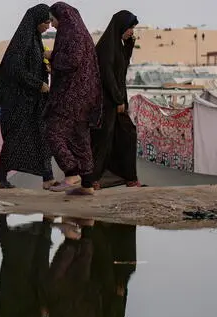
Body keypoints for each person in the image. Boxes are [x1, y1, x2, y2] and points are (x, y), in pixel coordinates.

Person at [0, 4, 58, 190]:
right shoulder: (22, 42)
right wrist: (38, 84)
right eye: (46, 22)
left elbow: (32, 65)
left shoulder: (34, 39)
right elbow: (15, 69)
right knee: (15, 140)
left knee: (41, 136)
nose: (48, 26)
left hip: (31, 101)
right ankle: (0, 178)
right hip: (17, 102)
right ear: (36, 21)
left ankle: (48, 177)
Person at [44, 2, 102, 196]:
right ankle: (87, 183)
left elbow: (72, 60)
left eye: (53, 20)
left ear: (63, 17)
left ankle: (71, 173)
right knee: (80, 137)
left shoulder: (72, 33)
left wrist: (51, 56)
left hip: (72, 94)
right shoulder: (80, 31)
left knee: (52, 130)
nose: (51, 25)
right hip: (84, 96)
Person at [91, 11, 141, 190]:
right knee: (103, 140)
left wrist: (129, 44)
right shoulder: (105, 47)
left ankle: (130, 178)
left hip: (116, 101)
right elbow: (107, 76)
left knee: (127, 135)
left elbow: (122, 69)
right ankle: (93, 179)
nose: (131, 31)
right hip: (106, 102)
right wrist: (118, 99)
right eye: (130, 28)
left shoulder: (117, 45)